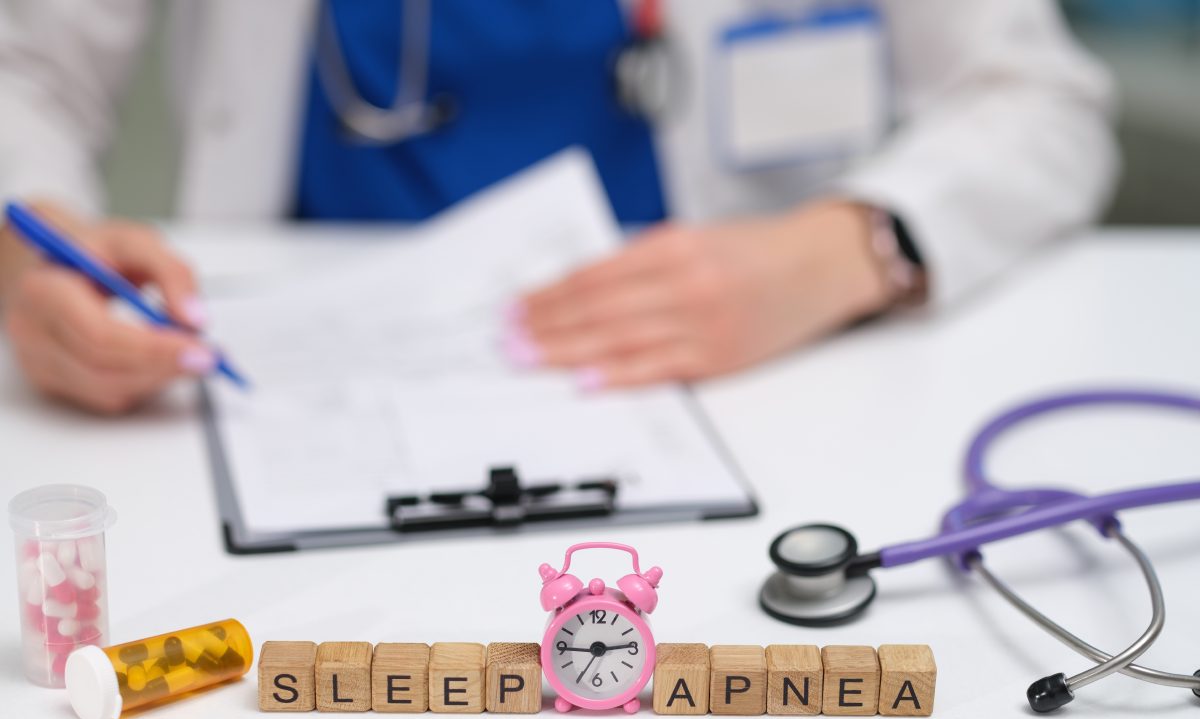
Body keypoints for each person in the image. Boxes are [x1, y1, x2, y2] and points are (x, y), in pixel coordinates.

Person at [0, 0, 1117, 414]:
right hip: (290, 376)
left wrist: (842, 250)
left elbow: (1041, 100)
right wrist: (33, 243)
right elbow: (26, 73)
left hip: (729, 386)